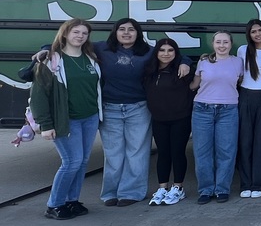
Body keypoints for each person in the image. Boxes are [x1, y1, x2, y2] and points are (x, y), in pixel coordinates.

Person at [97, 18, 188, 207]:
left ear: (138, 33)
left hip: (138, 107)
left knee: (137, 152)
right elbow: (71, 44)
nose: (126, 33)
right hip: (110, 107)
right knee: (113, 154)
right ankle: (110, 193)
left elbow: (173, 54)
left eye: (131, 29)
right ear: (115, 32)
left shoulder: (147, 51)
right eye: (121, 29)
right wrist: (46, 48)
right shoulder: (102, 48)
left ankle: (131, 193)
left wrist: (185, 62)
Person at [31, 18, 102, 220]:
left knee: (82, 161)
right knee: (71, 161)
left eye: (84, 33)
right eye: (75, 32)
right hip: (66, 119)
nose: (80, 36)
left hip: (89, 117)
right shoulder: (50, 61)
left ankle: (72, 201)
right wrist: (45, 124)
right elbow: (39, 95)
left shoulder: (90, 58)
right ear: (65, 34)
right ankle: (54, 205)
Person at [189, 31, 244, 204]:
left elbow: (240, 82)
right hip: (202, 109)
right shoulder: (203, 61)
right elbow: (194, 85)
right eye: (218, 42)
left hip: (228, 110)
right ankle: (205, 190)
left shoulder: (238, 62)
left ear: (231, 44)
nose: (222, 45)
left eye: (225, 42)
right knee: (202, 152)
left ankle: (222, 189)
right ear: (213, 44)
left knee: (226, 152)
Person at [143, 39, 194, 206]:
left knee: (178, 152)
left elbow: (194, 85)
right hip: (159, 119)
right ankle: (162, 188)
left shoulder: (183, 70)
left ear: (176, 52)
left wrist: (185, 61)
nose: (166, 54)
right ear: (156, 52)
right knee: (163, 153)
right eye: (162, 50)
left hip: (180, 118)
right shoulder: (149, 70)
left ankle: (178, 188)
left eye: (170, 50)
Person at [237, 19, 261, 199]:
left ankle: (258, 184)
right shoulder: (242, 50)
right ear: (249, 34)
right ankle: (245, 183)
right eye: (253, 31)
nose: (258, 34)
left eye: (260, 30)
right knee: (245, 142)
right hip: (246, 97)